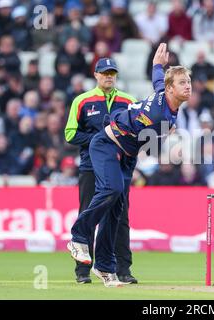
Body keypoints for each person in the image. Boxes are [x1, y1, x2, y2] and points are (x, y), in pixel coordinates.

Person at [68, 43, 191, 287]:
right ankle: (78, 236)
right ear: (171, 89)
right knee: (111, 191)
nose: (188, 86)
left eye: (189, 82)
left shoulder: (164, 95)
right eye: (182, 83)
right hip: (106, 144)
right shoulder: (159, 116)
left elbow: (158, 80)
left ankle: (104, 267)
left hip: (125, 154)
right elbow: (149, 144)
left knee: (117, 209)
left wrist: (158, 65)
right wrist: (165, 134)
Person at [64, 57, 138, 285]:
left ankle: (123, 269)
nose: (109, 76)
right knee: (89, 211)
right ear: (96, 75)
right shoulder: (82, 100)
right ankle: (83, 271)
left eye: (112, 73)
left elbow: (137, 132)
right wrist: (101, 139)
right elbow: (70, 134)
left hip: (119, 166)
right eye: (105, 72)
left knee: (120, 216)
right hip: (89, 166)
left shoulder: (129, 101)